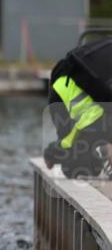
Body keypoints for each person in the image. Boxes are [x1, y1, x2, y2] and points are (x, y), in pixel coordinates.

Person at [44, 37, 112, 178]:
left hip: (74, 82)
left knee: (87, 162)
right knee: (76, 168)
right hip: (66, 93)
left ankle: (100, 148)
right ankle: (51, 154)